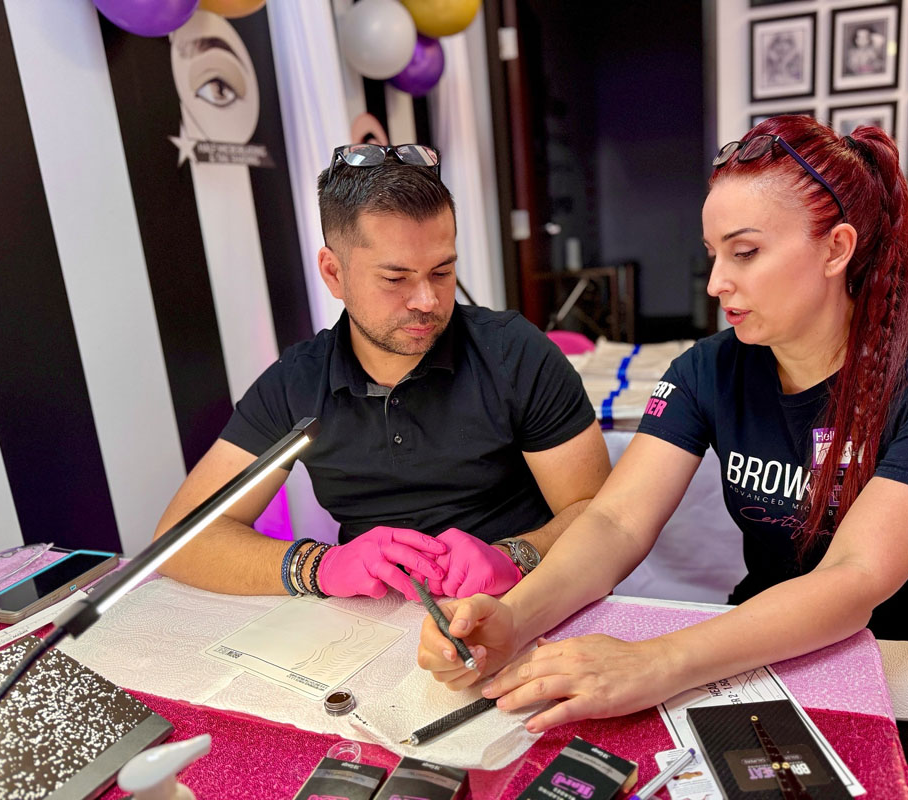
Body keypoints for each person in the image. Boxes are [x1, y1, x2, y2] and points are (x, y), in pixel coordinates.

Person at [417, 116, 908, 734]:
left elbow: (854, 577)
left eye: (746, 252)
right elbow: (615, 520)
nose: (716, 283)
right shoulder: (709, 368)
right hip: (773, 646)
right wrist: (515, 617)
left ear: (837, 249)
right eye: (714, 255)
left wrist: (658, 661)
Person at [152, 143, 611, 602]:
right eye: (395, 279)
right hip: (368, 624)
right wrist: (322, 566)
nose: (427, 301)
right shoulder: (298, 383)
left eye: (442, 271)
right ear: (334, 274)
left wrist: (516, 555)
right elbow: (179, 540)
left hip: (523, 601)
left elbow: (601, 515)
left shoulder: (513, 352)